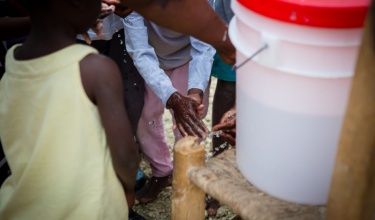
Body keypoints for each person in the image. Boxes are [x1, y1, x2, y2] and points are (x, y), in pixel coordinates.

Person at [0, 0, 140, 219]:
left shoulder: (12, 62)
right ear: (77, 4)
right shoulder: (95, 69)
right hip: (90, 209)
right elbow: (126, 157)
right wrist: (128, 189)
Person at [123, 8, 215, 203]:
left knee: (189, 122)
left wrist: (195, 91)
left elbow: (204, 46)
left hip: (190, 59)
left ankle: (189, 175)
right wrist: (171, 96)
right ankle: (162, 171)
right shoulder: (133, 3)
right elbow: (140, 52)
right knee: (145, 116)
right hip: (150, 59)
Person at [206, 0, 236, 216]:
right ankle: (217, 177)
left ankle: (254, 179)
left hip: (275, 34)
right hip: (232, 31)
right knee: (225, 111)